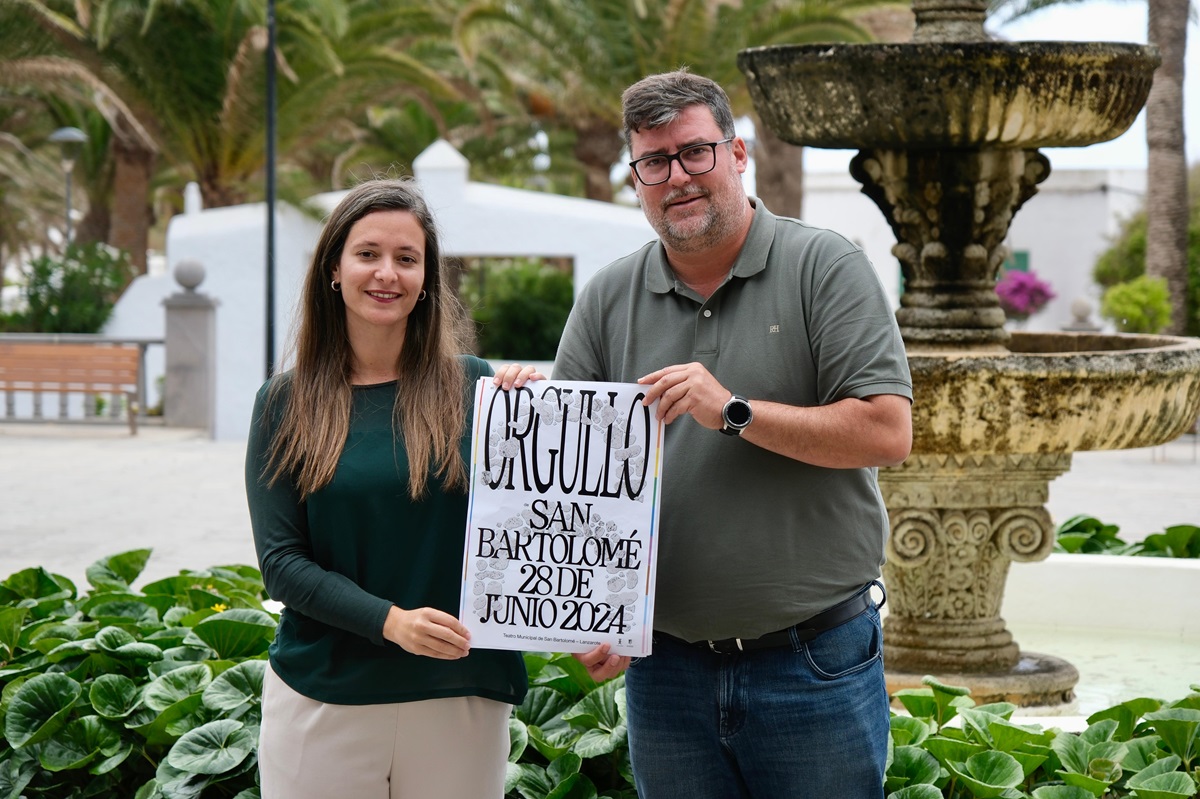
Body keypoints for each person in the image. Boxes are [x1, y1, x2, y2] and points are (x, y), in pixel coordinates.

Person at [554, 70, 914, 798]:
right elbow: (564, 466)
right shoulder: (607, 297)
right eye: (654, 162)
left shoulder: (825, 265)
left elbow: (886, 430)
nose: (677, 178)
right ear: (636, 178)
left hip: (813, 662)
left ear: (737, 154)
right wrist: (589, 612)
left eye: (694, 153)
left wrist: (734, 411)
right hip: (665, 672)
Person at [245, 177, 545, 798]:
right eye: (368, 254)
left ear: (427, 279)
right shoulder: (285, 402)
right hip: (325, 695)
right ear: (334, 268)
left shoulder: (477, 387)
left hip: (459, 693)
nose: (388, 273)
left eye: (407, 259)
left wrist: (537, 417)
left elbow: (537, 523)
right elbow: (281, 563)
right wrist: (391, 623)